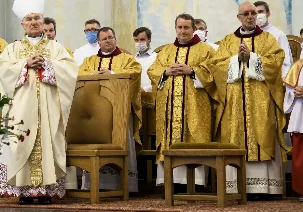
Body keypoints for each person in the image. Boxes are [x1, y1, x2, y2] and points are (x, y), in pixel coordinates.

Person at [0, 0, 78, 204]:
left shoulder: (56, 48)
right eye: (29, 19)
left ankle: (46, 191)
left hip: (48, 107)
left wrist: (48, 65)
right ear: (22, 24)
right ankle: (22, 191)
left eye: (37, 18)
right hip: (21, 109)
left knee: (48, 142)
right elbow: (2, 71)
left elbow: (70, 71)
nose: (33, 22)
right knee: (20, 143)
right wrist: (25, 64)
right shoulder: (12, 49)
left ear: (43, 22)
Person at [209, 2, 290, 198]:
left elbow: (276, 62)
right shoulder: (228, 41)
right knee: (235, 136)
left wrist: (252, 57)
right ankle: (236, 187)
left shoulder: (269, 39)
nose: (250, 16)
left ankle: (265, 189)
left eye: (253, 13)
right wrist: (236, 58)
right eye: (246, 14)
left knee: (262, 131)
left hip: (260, 98)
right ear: (239, 17)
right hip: (235, 101)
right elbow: (217, 66)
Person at [147, 13, 218, 189]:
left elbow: (214, 73)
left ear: (194, 29)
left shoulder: (206, 50)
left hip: (195, 106)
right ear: (175, 28)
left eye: (186, 27)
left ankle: (196, 183)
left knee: (194, 138)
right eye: (179, 27)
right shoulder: (166, 51)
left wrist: (192, 71)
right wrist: (165, 72)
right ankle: (169, 183)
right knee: (169, 140)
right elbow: (152, 71)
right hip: (169, 108)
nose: (183, 31)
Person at [79, 27, 142, 192]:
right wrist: (95, 75)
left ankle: (124, 185)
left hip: (119, 111)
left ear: (115, 39)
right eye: (104, 38)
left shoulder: (127, 59)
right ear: (98, 42)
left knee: (121, 140)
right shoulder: (89, 61)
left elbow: (135, 74)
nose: (108, 41)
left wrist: (113, 74)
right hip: (95, 113)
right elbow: (80, 76)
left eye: (111, 37)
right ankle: (95, 184)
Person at [254, 1, 292, 79]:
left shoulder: (278, 35)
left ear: (268, 14)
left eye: (261, 11)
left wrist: (283, 82)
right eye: (255, 13)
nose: (258, 15)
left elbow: (286, 62)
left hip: (274, 78)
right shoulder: (249, 35)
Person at [283, 59, 303, 201]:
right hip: (301, 114)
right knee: (301, 153)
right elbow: (289, 90)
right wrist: (295, 92)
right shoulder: (299, 65)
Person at [133, 27, 157, 92]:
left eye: (142, 39)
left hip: (151, 96)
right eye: (136, 40)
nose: (139, 42)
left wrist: (145, 89)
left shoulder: (157, 58)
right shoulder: (132, 60)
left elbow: (160, 79)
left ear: (149, 40)